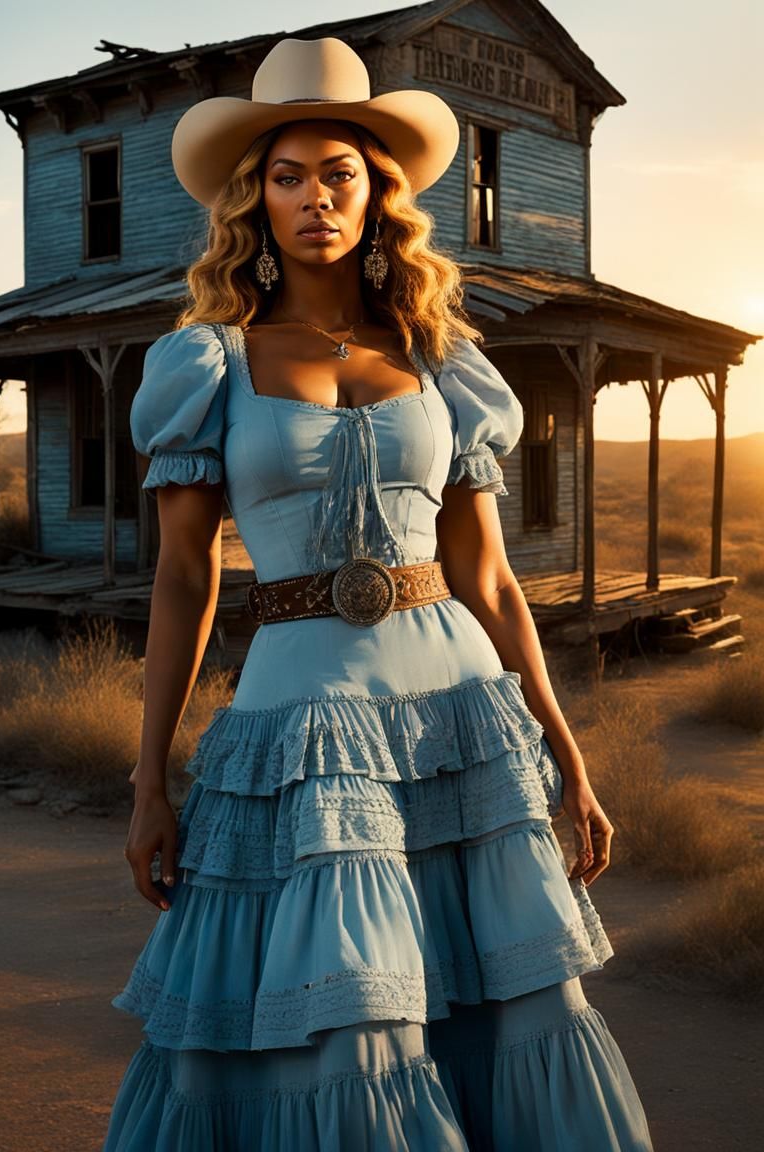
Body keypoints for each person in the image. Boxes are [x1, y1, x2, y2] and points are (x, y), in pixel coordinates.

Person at [102, 36, 654, 1152]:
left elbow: (490, 579)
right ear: (254, 197)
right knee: (348, 1019)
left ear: (375, 194)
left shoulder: (441, 358)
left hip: (458, 714)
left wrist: (566, 751)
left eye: (337, 174)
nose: (313, 197)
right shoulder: (205, 362)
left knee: (510, 1008)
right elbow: (180, 577)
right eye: (287, 175)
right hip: (305, 719)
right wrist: (149, 778)